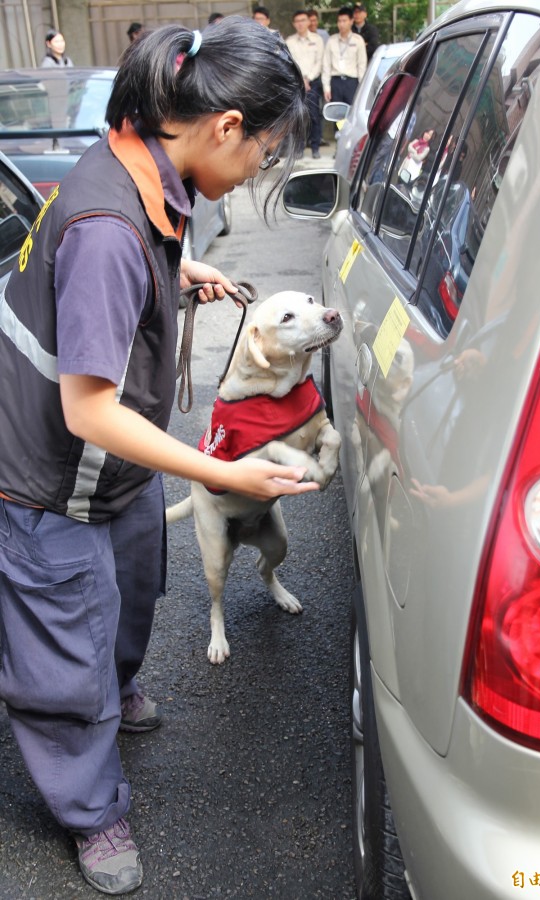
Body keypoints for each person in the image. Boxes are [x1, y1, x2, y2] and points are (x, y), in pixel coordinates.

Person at [0, 20, 313, 896]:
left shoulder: (144, 170)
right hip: (47, 472)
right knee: (63, 650)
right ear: (223, 126)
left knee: (133, 587)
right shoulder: (106, 223)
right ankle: (89, 809)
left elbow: (136, 259)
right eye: (266, 147)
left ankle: (117, 683)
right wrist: (220, 472)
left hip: (114, 467)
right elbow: (88, 406)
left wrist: (182, 272)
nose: (260, 166)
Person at [286, 9, 324, 159]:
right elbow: (289, 63)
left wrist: (308, 78)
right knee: (298, 117)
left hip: (313, 83)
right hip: (296, 84)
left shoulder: (317, 40)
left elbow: (319, 62)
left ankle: (315, 147)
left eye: (303, 20)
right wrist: (301, 79)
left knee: (314, 116)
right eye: (297, 21)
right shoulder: (289, 42)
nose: (300, 24)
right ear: (294, 24)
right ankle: (299, 147)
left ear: (309, 22)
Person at [322, 6, 367, 104]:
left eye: (344, 21)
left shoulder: (358, 40)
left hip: (352, 82)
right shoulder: (331, 41)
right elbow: (326, 66)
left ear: (351, 21)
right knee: (336, 115)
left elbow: (361, 66)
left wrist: (362, 88)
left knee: (351, 114)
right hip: (335, 82)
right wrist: (326, 87)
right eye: (339, 21)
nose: (341, 24)